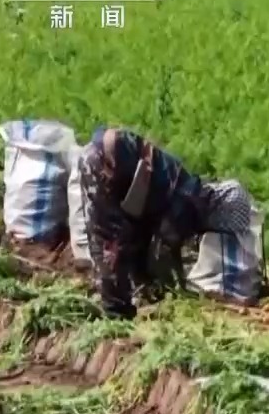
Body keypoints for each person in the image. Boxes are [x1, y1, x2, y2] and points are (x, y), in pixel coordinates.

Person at [79, 127, 253, 319]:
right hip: (108, 164)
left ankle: (119, 306)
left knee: (115, 241)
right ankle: (116, 313)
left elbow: (142, 238)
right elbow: (160, 251)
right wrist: (170, 290)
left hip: (109, 160)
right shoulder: (185, 202)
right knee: (109, 243)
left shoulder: (181, 188)